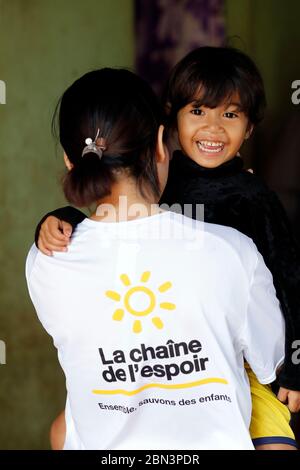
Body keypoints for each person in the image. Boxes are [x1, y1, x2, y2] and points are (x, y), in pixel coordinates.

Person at [35, 48, 300, 450]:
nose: (212, 128)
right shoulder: (191, 210)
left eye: (230, 115)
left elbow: (291, 277)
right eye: (198, 111)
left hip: (236, 374)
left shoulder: (46, 261)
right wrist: (64, 217)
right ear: (165, 136)